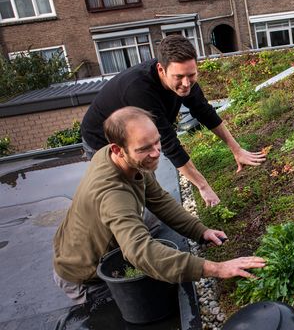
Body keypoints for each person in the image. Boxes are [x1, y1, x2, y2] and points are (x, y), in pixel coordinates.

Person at [54, 106, 266, 304]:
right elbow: (140, 252)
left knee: (150, 225)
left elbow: (158, 199)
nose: (156, 152)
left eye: (157, 142)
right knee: (147, 303)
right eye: (145, 148)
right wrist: (217, 268)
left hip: (86, 241)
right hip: (85, 277)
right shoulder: (113, 194)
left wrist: (199, 231)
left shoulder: (114, 156)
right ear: (118, 150)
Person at [80, 34, 265, 207]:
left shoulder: (184, 80)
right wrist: (203, 186)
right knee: (122, 190)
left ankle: (148, 217)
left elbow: (205, 112)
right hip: (101, 138)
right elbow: (169, 142)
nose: (186, 83)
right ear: (161, 69)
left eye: (191, 75)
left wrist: (237, 149)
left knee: (145, 184)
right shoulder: (140, 91)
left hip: (133, 133)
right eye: (179, 77)